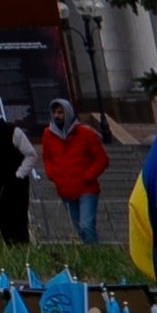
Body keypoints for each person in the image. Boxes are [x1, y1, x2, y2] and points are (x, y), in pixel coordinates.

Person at [38, 96, 111, 242]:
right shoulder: (48, 134)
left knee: (86, 225)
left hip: (86, 189)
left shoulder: (85, 134)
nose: (57, 116)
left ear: (68, 113)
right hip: (65, 188)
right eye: (54, 113)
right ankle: (89, 256)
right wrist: (53, 175)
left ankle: (93, 255)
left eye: (60, 112)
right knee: (78, 227)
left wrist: (88, 176)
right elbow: (47, 157)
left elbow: (102, 159)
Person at [0, 102, 34, 245]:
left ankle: (23, 251)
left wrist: (19, 175)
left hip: (14, 186)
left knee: (18, 224)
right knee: (4, 225)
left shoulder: (12, 131)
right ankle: (12, 249)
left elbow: (31, 155)